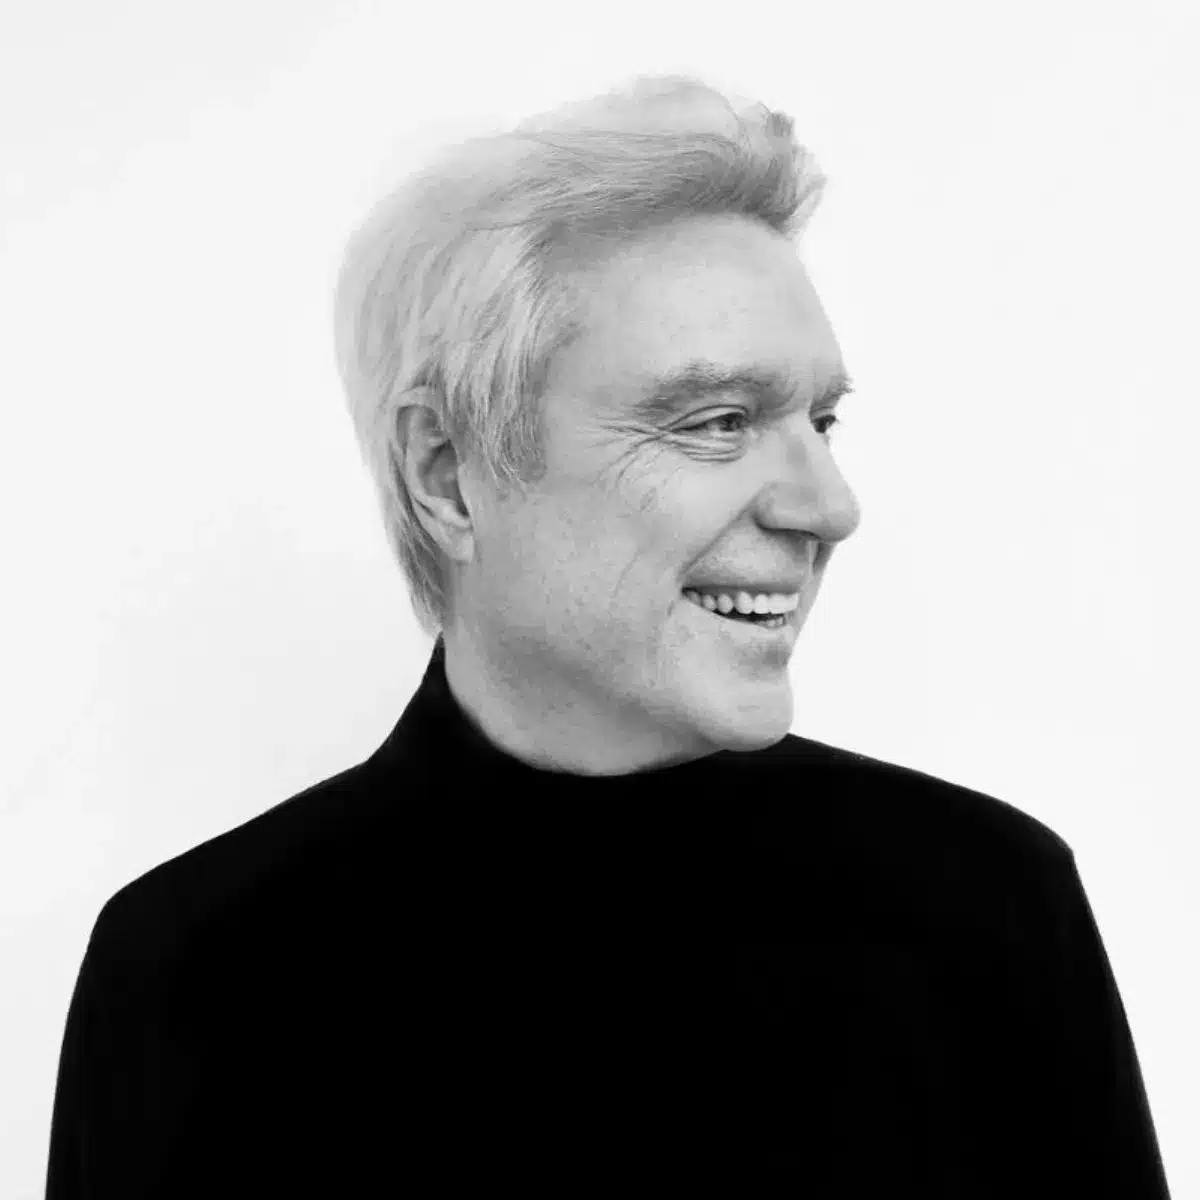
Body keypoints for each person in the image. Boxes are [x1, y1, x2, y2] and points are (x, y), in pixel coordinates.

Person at [45, 75, 1171, 1197]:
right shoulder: (191, 972)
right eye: (717, 422)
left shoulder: (987, 908)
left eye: (819, 422)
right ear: (448, 475)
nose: (829, 507)